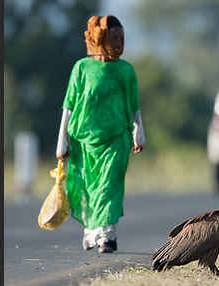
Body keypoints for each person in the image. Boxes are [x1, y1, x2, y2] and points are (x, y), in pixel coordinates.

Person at [55, 15, 145, 253]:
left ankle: (107, 235)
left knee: (109, 185)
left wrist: (139, 130)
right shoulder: (81, 68)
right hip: (82, 140)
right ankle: (91, 230)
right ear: (100, 38)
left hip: (116, 138)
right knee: (87, 188)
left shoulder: (125, 70)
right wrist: (61, 140)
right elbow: (69, 105)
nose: (119, 44)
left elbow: (134, 104)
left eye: (122, 38)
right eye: (114, 38)